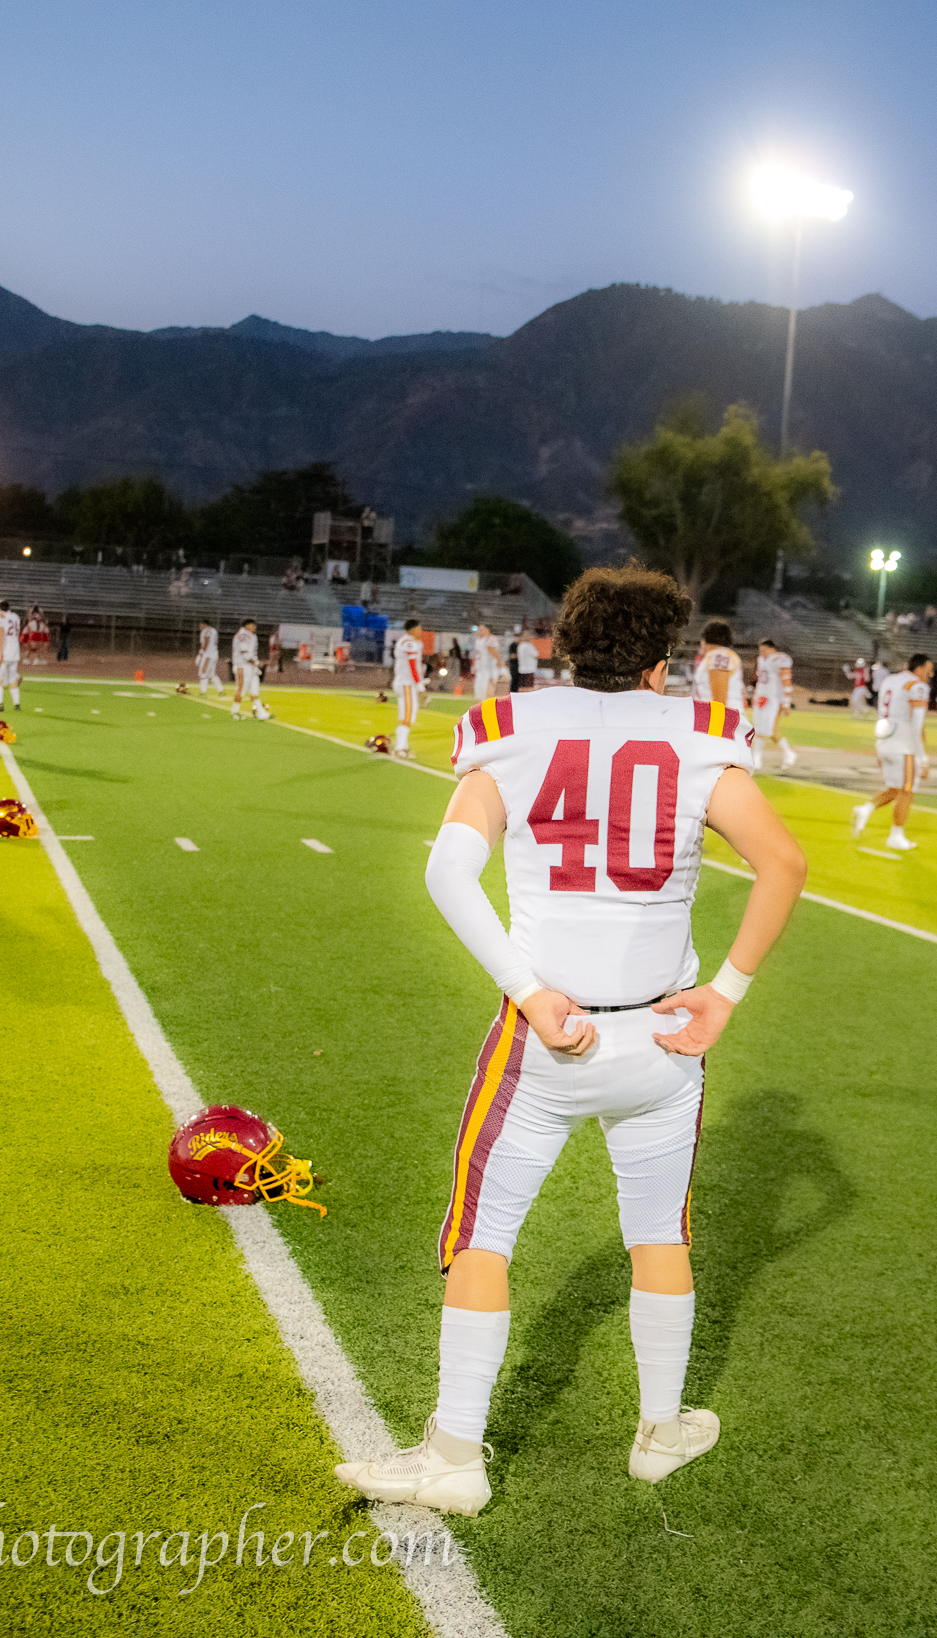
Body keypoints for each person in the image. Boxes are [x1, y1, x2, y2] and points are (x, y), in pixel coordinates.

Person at [333, 565, 806, 1517]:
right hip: (664, 1037)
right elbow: (783, 863)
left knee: (483, 1238)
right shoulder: (703, 734)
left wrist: (528, 990)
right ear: (662, 662)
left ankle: (454, 1455)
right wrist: (725, 995)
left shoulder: (510, 726)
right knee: (658, 1232)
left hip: (548, 1038)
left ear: (562, 645)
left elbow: (448, 874)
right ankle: (660, 1432)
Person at [852, 653, 932, 850]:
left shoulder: (890, 680)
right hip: (903, 744)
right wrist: (923, 758)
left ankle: (866, 809)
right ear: (919, 669)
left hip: (885, 740)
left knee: (895, 788)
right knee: (907, 790)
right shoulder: (917, 686)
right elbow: (917, 725)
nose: (929, 676)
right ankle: (896, 836)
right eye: (928, 671)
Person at [751, 638, 797, 771]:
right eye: (760, 650)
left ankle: (789, 753)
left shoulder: (779, 659)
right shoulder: (761, 660)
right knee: (758, 728)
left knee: (772, 731)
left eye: (764, 650)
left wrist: (786, 702)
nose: (762, 653)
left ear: (771, 649)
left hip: (774, 699)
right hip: (761, 698)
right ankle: (756, 760)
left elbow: (786, 680)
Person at [691, 621, 744, 713]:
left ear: (704, 640)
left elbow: (719, 699)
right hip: (718, 714)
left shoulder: (719, 655)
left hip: (720, 716)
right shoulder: (717, 655)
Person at [392, 618, 426, 754]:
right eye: (419, 628)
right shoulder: (409, 643)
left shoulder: (409, 641)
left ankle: (403, 746)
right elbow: (412, 666)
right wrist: (420, 686)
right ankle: (400, 747)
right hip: (407, 683)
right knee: (408, 715)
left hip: (404, 682)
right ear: (413, 629)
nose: (421, 631)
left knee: (405, 716)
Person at [232, 618, 271, 720]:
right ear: (247, 625)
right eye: (252, 625)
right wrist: (257, 662)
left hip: (250, 667)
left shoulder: (249, 635)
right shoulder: (244, 634)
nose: (254, 627)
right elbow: (244, 652)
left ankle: (261, 712)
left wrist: (255, 664)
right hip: (243, 666)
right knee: (241, 690)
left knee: (254, 691)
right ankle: (235, 711)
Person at [0, 599, 24, 710]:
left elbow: (1, 633)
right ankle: (16, 704)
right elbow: (17, 633)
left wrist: (1, 652)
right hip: (14, 652)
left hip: (3, 652)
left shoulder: (0, 616)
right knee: (12, 679)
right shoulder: (16, 617)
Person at [472, 624, 503, 702]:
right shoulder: (481, 640)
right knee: (482, 689)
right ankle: (482, 704)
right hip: (482, 667)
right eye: (479, 630)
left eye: (482, 629)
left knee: (486, 687)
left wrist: (498, 661)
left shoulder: (488, 639)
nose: (479, 631)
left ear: (487, 630)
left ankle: (485, 703)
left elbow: (492, 650)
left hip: (487, 667)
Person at [194, 619, 223, 698]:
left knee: (203, 673)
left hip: (208, 655)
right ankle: (221, 690)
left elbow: (206, 642)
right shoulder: (214, 630)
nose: (200, 627)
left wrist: (200, 654)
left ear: (204, 624)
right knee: (211, 674)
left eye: (201, 625)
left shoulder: (206, 630)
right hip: (214, 654)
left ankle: (203, 692)